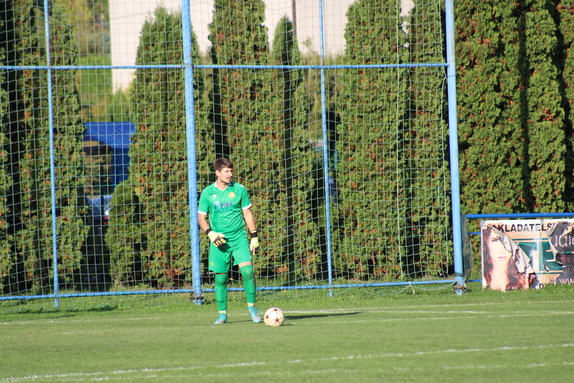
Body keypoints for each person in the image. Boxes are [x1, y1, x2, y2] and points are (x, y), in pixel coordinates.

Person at [198, 158, 261, 324]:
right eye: (227, 171)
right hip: (219, 241)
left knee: (247, 272)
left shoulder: (240, 190)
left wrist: (254, 236)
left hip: (239, 237)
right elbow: (201, 217)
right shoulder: (207, 193)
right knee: (221, 279)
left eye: (231, 171)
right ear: (217, 173)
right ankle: (222, 314)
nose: (230, 174)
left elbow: (247, 213)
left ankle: (252, 308)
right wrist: (210, 233)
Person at [481, 224, 534, 291]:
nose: (502, 250)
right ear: (487, 242)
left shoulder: (522, 278)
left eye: (507, 243)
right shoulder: (486, 278)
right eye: (495, 240)